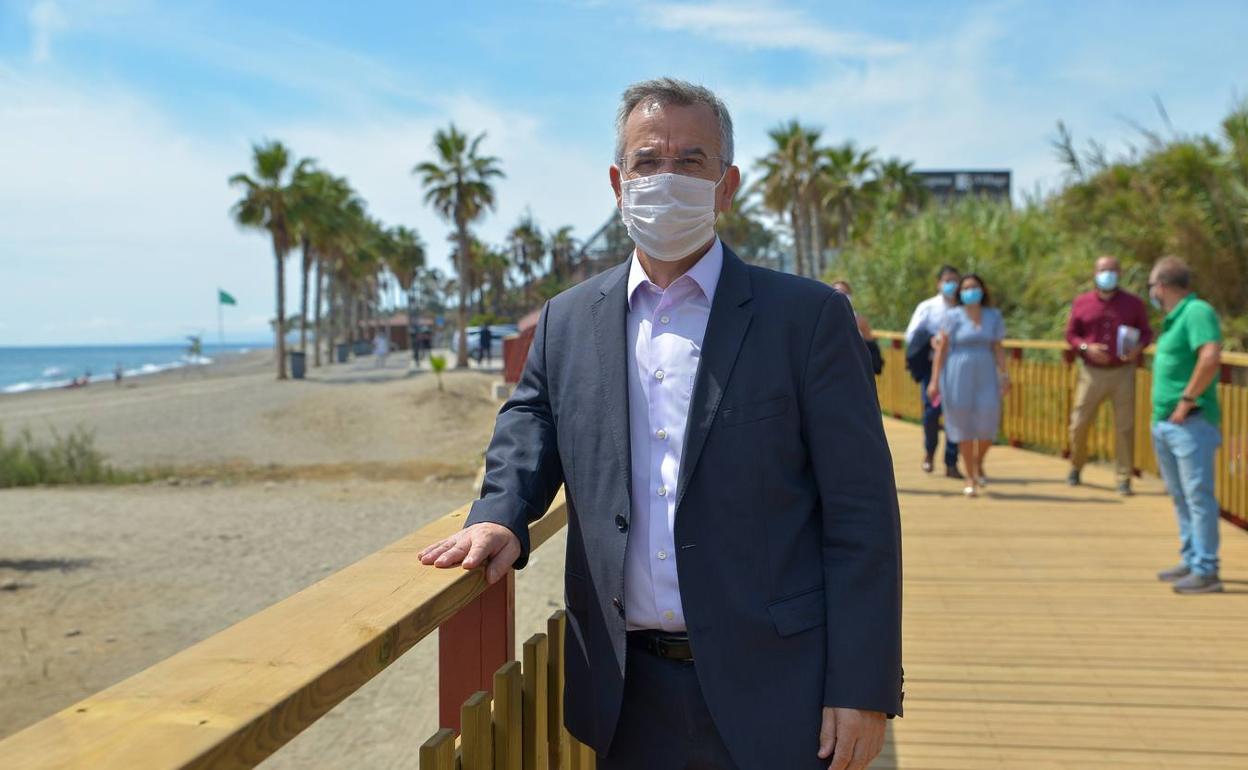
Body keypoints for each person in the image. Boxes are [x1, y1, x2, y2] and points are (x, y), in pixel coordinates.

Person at [420, 77, 902, 770]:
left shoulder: (805, 319)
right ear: (618, 183)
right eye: (647, 162)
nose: (666, 178)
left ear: (727, 185)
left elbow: (862, 515)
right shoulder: (569, 319)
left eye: (691, 161)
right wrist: (500, 513)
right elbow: (531, 423)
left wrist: (862, 687)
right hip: (623, 690)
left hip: (779, 685)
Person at [1148, 256, 1224, 594]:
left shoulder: (1196, 312)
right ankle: (1192, 557)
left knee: (1197, 496)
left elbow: (1210, 355)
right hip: (1167, 423)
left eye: (1151, 285)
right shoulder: (1173, 319)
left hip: (1190, 421)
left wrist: (1188, 399)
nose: (1151, 291)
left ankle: (1207, 568)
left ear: (1162, 286)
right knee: (1181, 496)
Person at [1064, 255, 1153, 495]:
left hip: (1122, 371)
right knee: (1079, 424)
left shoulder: (1133, 304)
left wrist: (1138, 347)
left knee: (1124, 427)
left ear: (1119, 274)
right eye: (1104, 270)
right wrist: (1085, 348)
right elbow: (1071, 334)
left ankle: (1123, 478)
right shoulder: (1082, 302)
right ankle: (1076, 465)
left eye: (1113, 270)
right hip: (1091, 373)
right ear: (1095, 273)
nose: (1108, 274)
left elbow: (1146, 332)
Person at [927, 274, 1009, 498]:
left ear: (982, 290)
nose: (970, 291)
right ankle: (970, 476)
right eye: (966, 288)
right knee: (963, 423)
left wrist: (1005, 374)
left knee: (988, 420)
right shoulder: (952, 316)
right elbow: (941, 349)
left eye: (974, 287)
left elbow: (998, 347)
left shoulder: (993, 316)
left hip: (986, 372)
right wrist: (934, 380)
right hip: (957, 372)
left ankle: (977, 461)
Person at [904, 265, 963, 478]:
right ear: (939, 283)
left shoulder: (964, 309)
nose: (951, 285)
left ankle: (951, 461)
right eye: (947, 281)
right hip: (933, 368)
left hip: (958, 368)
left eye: (955, 281)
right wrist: (930, 340)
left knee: (955, 415)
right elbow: (911, 335)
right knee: (931, 413)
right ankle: (929, 452)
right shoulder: (928, 307)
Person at [831, 280, 883, 375]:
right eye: (837, 293)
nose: (842, 296)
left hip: (855, 374)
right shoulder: (823, 321)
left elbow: (875, 361)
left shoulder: (860, 322)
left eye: (845, 293)